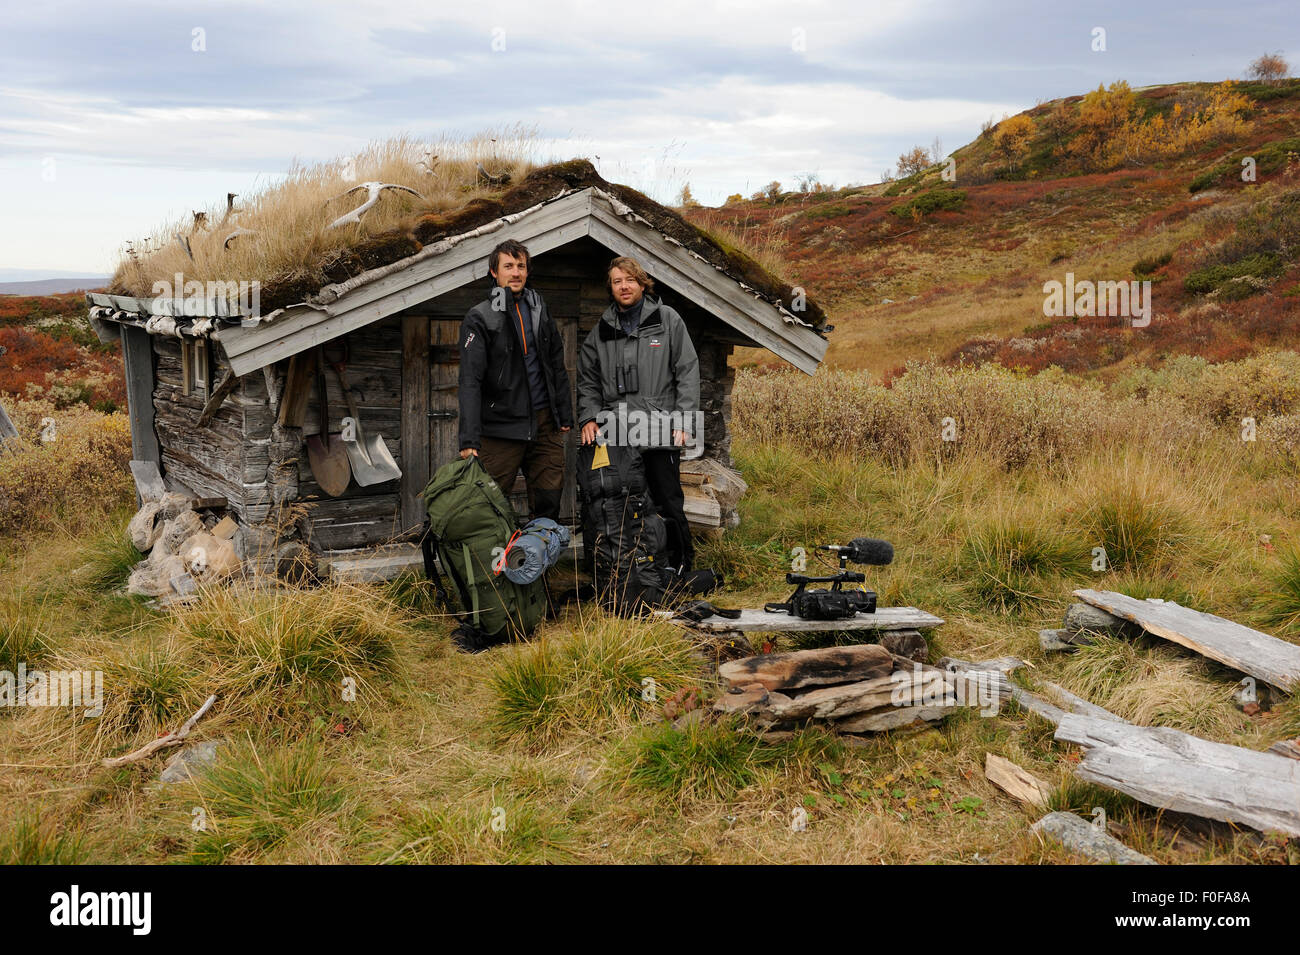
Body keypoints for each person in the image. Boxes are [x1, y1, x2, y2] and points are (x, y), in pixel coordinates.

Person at [577, 256, 700, 572]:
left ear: (643, 283)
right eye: (617, 281)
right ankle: (639, 570)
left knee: (667, 501)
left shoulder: (667, 320)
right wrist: (589, 416)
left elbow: (687, 370)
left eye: (629, 280)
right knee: (627, 503)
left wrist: (685, 420)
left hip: (660, 430)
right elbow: (587, 379)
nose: (623, 286)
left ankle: (680, 566)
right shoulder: (602, 330)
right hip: (619, 437)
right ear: (611, 288)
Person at [457, 239, 573, 521]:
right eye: (508, 266)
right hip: (500, 429)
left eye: (521, 266)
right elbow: (470, 380)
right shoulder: (481, 316)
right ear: (494, 272)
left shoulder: (539, 309)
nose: (516, 272)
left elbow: (557, 364)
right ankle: (490, 565)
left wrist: (564, 414)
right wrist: (469, 438)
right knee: (488, 506)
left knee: (548, 502)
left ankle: (537, 563)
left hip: (545, 424)